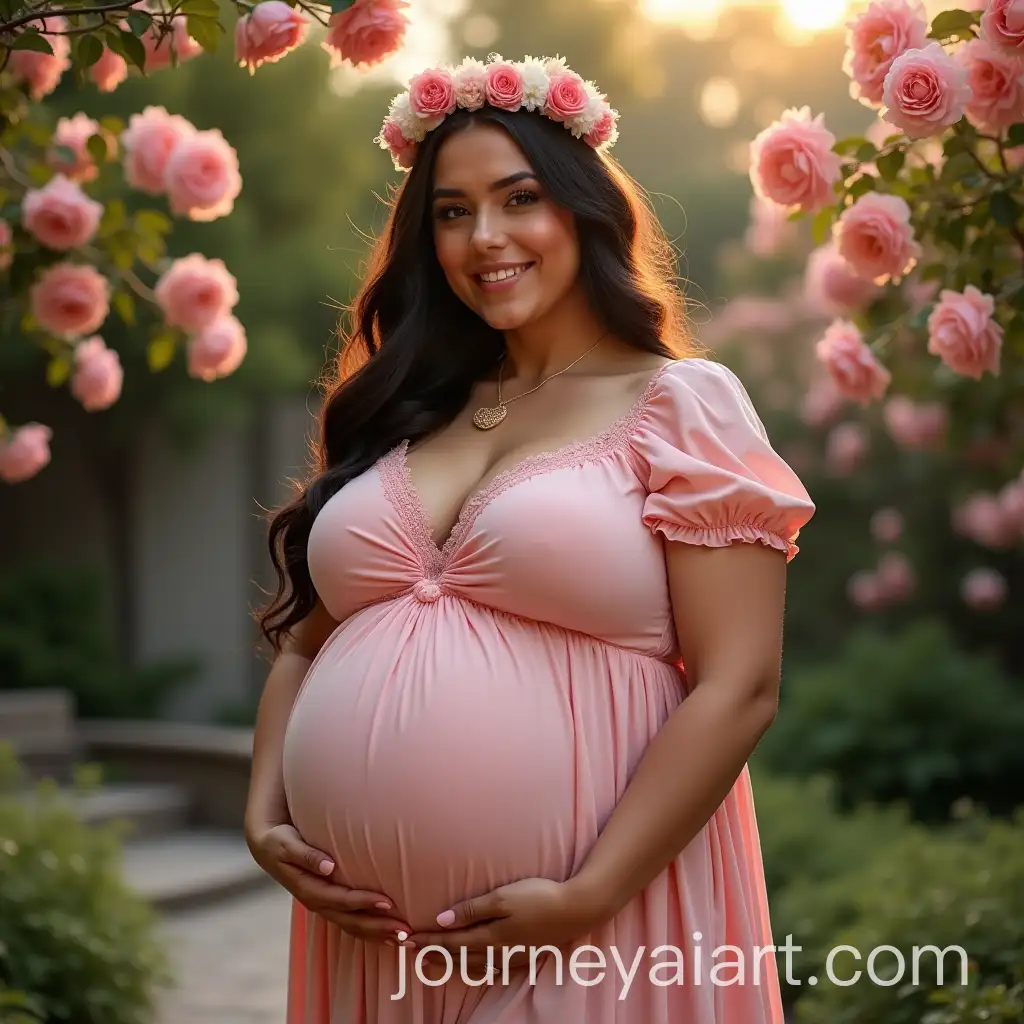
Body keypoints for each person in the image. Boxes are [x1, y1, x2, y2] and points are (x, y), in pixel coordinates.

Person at [245, 52, 815, 1024]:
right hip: (372, 942)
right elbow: (308, 642)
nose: (485, 237)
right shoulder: (405, 408)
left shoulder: (678, 404)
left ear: (584, 211)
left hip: (592, 922)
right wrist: (263, 816)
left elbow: (738, 685)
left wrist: (591, 893)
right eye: (452, 211)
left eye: (519, 199)